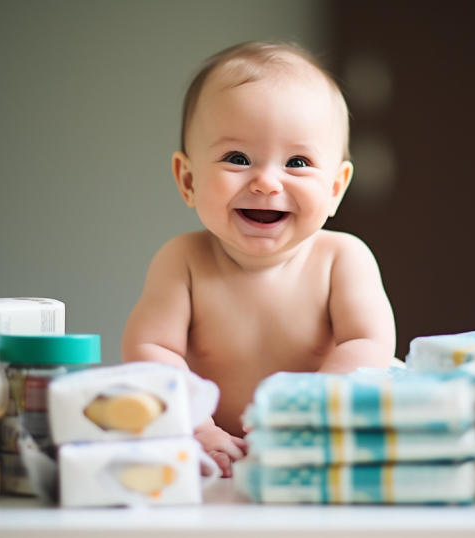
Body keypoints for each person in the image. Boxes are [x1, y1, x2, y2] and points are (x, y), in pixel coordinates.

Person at [122, 41, 396, 477]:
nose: (267, 182)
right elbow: (151, 351)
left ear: (335, 188)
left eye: (298, 162)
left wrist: (301, 413)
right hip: (215, 456)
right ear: (188, 179)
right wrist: (194, 426)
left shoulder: (341, 258)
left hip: (314, 451)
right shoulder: (183, 261)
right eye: (238, 158)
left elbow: (369, 346)